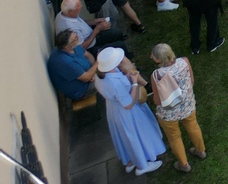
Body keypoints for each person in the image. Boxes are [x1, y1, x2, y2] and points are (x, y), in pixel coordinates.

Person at [93, 47, 166, 175]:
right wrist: (134, 83)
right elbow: (128, 104)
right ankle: (142, 165)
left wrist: (128, 76)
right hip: (126, 113)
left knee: (123, 137)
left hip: (113, 110)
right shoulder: (114, 83)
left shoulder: (100, 76)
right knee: (134, 136)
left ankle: (130, 161)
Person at [150, 43, 207, 173]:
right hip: (188, 105)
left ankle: (184, 165)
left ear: (158, 59)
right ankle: (200, 151)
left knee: (174, 137)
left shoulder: (157, 75)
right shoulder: (185, 61)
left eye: (152, 55)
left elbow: (157, 100)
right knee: (193, 126)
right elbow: (191, 81)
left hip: (168, 114)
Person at [56, 0, 125, 52]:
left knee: (117, 33)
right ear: (71, 11)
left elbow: (80, 22)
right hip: (90, 46)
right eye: (78, 6)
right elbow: (82, 47)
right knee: (120, 44)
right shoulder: (70, 28)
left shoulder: (65, 13)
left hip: (91, 35)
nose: (81, 6)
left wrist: (95, 21)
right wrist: (97, 29)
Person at [47, 29, 99, 100]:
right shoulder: (66, 62)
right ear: (67, 47)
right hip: (82, 89)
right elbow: (86, 78)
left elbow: (88, 55)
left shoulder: (73, 46)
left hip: (88, 74)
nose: (78, 37)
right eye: (76, 38)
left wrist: (93, 72)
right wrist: (98, 63)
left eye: (76, 35)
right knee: (107, 76)